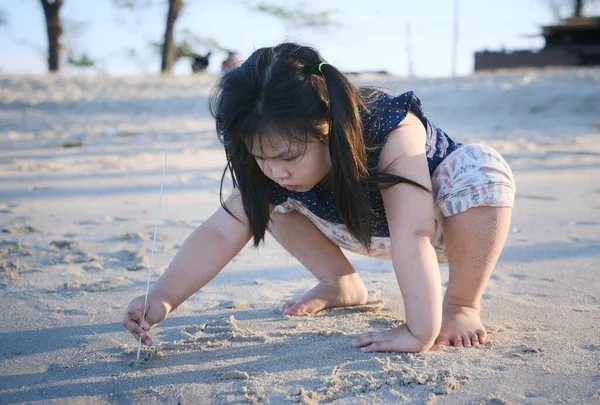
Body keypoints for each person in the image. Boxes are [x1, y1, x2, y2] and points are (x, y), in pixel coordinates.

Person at [123, 43, 515, 353]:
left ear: (327, 126)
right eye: (261, 156)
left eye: (287, 157)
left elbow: (412, 234)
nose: (275, 169)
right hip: (358, 226)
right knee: (260, 202)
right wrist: (163, 297)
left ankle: (463, 305)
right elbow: (219, 233)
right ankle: (339, 282)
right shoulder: (274, 171)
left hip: (441, 225)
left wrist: (419, 330)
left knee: (480, 167)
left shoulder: (389, 128)